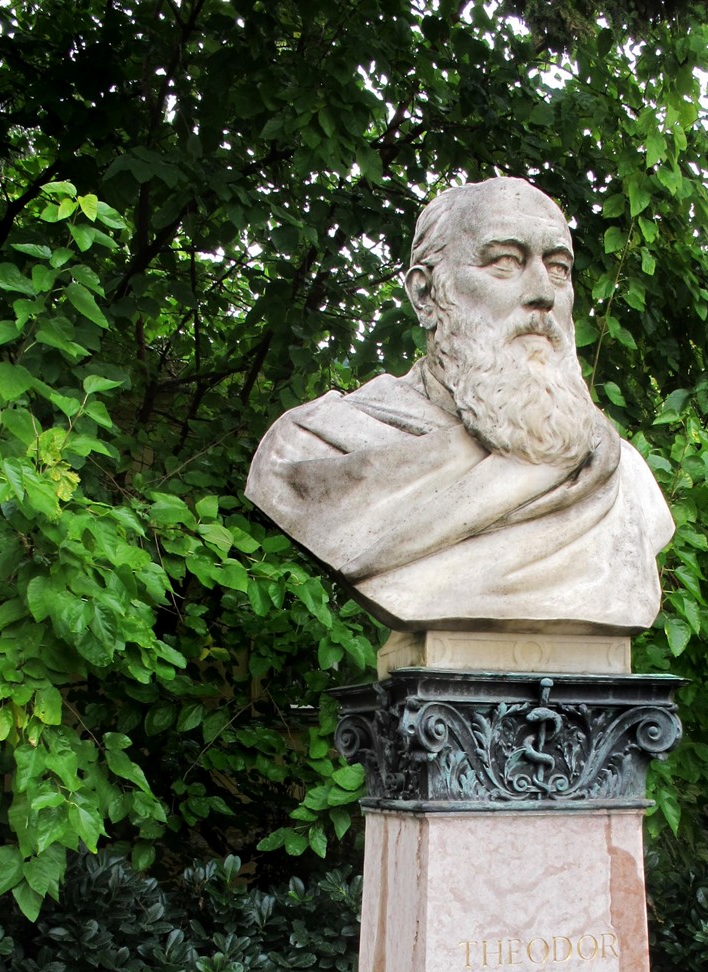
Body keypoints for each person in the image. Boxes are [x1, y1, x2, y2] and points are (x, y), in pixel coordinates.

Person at [245, 177, 673, 633]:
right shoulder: (316, 449)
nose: (542, 293)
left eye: (558, 268)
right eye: (505, 262)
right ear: (425, 296)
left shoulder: (618, 472)